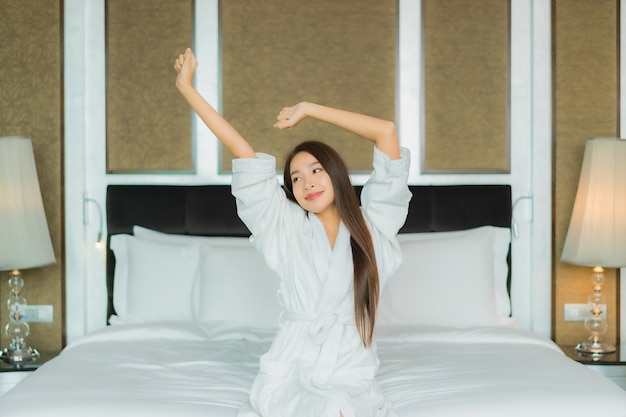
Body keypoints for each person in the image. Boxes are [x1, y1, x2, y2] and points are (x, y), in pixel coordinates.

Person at [174, 48, 411, 417]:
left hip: (352, 368)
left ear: (335, 173)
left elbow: (386, 132)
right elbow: (242, 151)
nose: (307, 183)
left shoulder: (375, 224)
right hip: (294, 366)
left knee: (338, 405)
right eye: (296, 178)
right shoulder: (284, 226)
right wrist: (187, 88)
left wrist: (310, 109)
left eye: (316, 170)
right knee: (324, 408)